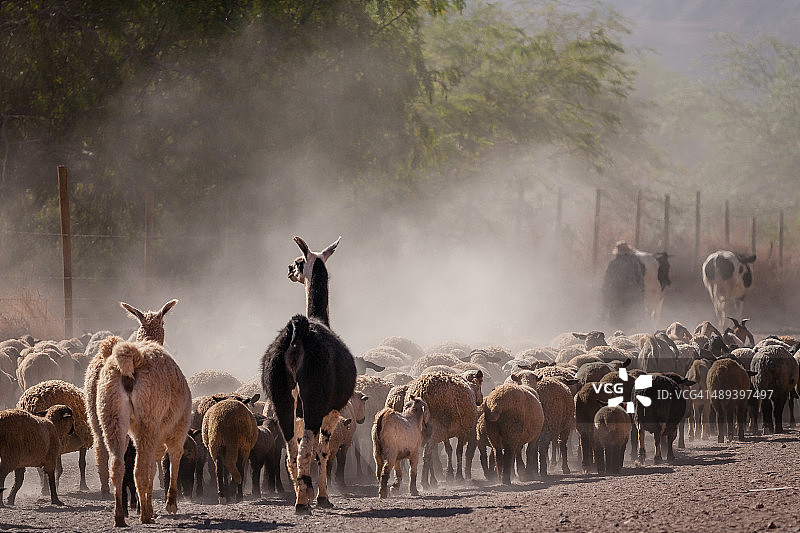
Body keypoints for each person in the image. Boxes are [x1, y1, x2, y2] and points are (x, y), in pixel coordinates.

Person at [601, 241, 644, 331]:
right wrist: (640, 294)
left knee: (616, 325)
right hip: (631, 298)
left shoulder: (612, 264)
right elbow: (640, 280)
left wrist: (606, 295)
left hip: (617, 298)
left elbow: (606, 282)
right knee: (630, 324)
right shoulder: (633, 263)